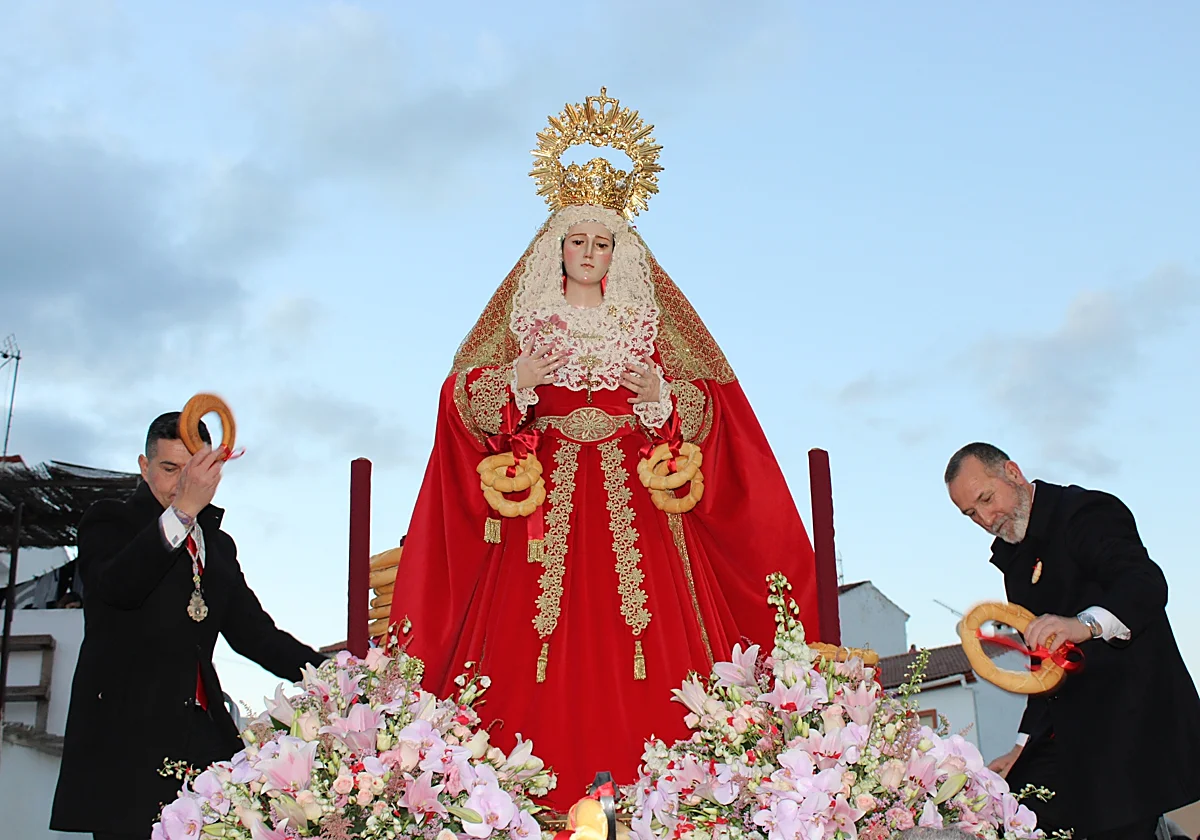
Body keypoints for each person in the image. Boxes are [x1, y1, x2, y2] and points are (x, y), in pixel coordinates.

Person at [385, 89, 821, 809]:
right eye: (578, 241)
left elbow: (713, 408)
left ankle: (675, 801)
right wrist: (517, 379)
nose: (589, 254)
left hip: (637, 497)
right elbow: (463, 399)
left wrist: (660, 393)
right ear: (555, 247)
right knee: (531, 641)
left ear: (621, 252)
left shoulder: (647, 323)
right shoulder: (524, 319)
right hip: (542, 498)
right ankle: (519, 799)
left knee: (651, 639)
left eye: (603, 243)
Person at [50, 411, 326, 839]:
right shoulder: (109, 521)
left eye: (191, 470)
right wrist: (181, 513)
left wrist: (333, 673)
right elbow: (117, 588)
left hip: (203, 739)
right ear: (144, 468)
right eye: (168, 469)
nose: (181, 482)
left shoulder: (217, 545)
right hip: (129, 747)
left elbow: (255, 635)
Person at [945, 442, 1200, 839]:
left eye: (986, 499)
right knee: (1013, 810)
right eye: (970, 513)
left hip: (1131, 724)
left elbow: (1145, 584)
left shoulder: (1085, 513)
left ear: (1012, 472)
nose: (985, 518)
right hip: (1067, 736)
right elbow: (1041, 668)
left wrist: (1084, 624)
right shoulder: (1014, 563)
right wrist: (1020, 747)